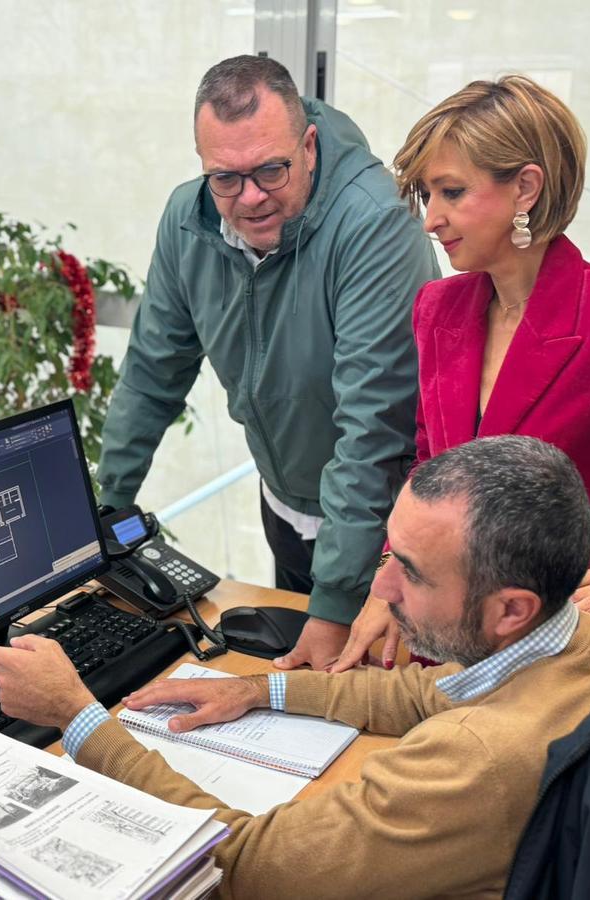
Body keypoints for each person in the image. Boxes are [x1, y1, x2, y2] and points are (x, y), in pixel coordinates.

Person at [0, 436, 590, 898]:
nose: (380, 589)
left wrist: (80, 716)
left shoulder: (476, 760)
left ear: (511, 609)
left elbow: (248, 863)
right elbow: (428, 690)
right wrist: (263, 689)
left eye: (410, 572)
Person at [333, 75, 590, 670]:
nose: (431, 220)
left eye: (451, 192)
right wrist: (393, 575)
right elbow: (432, 469)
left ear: (526, 186)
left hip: (577, 656)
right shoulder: (437, 310)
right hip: (454, 656)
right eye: (428, 196)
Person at [96, 55, 438, 670]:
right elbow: (152, 371)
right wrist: (106, 507)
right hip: (285, 503)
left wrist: (333, 604)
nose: (250, 198)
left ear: (308, 145)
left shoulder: (374, 224)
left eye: (271, 171)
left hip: (388, 534)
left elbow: (371, 430)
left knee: (369, 706)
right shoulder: (188, 219)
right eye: (225, 178)